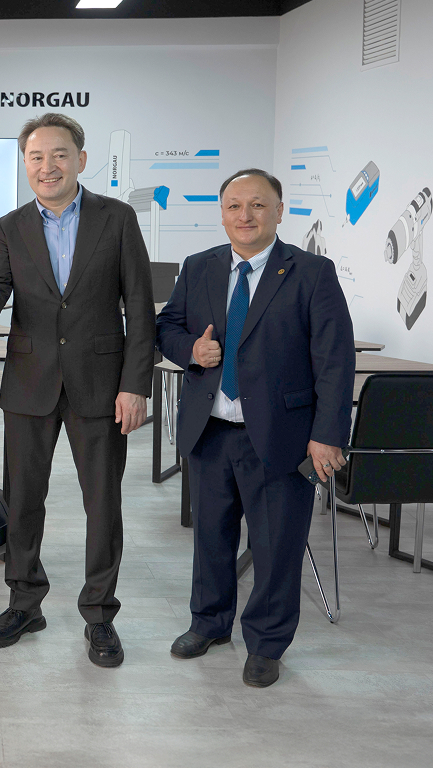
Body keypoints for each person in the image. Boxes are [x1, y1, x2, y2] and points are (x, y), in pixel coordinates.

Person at [0, 113, 154, 666]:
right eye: (36, 157)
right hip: (30, 382)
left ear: (81, 160)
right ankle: (25, 603)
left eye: (58, 155)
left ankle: (99, 615)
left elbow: (139, 305)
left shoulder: (117, 218)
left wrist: (135, 385)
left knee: (103, 503)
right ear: (24, 163)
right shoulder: (8, 226)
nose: (47, 166)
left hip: (101, 383)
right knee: (24, 501)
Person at [155, 168, 354, 688]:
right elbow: (167, 327)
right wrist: (191, 350)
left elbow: (334, 360)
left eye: (258, 205)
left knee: (276, 546)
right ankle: (209, 624)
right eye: (234, 206)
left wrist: (328, 435)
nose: (245, 216)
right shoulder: (199, 266)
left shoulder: (312, 272)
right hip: (210, 430)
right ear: (222, 214)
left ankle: (266, 644)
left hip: (282, 436)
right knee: (211, 539)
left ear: (279, 211)